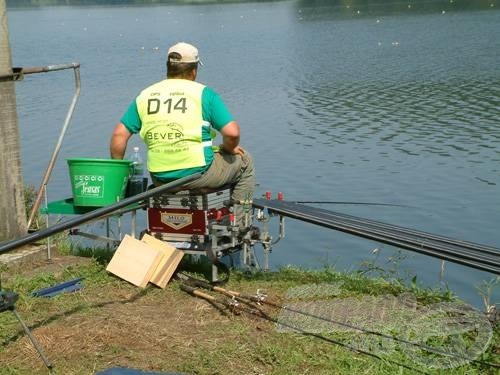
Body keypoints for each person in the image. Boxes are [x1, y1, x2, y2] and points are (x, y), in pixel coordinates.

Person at [110, 42, 255, 208]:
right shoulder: (203, 94)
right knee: (245, 161)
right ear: (194, 71)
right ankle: (239, 219)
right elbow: (232, 133)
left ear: (168, 68)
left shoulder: (146, 95)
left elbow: (118, 135)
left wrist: (119, 176)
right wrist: (229, 149)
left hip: (160, 177)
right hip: (199, 174)